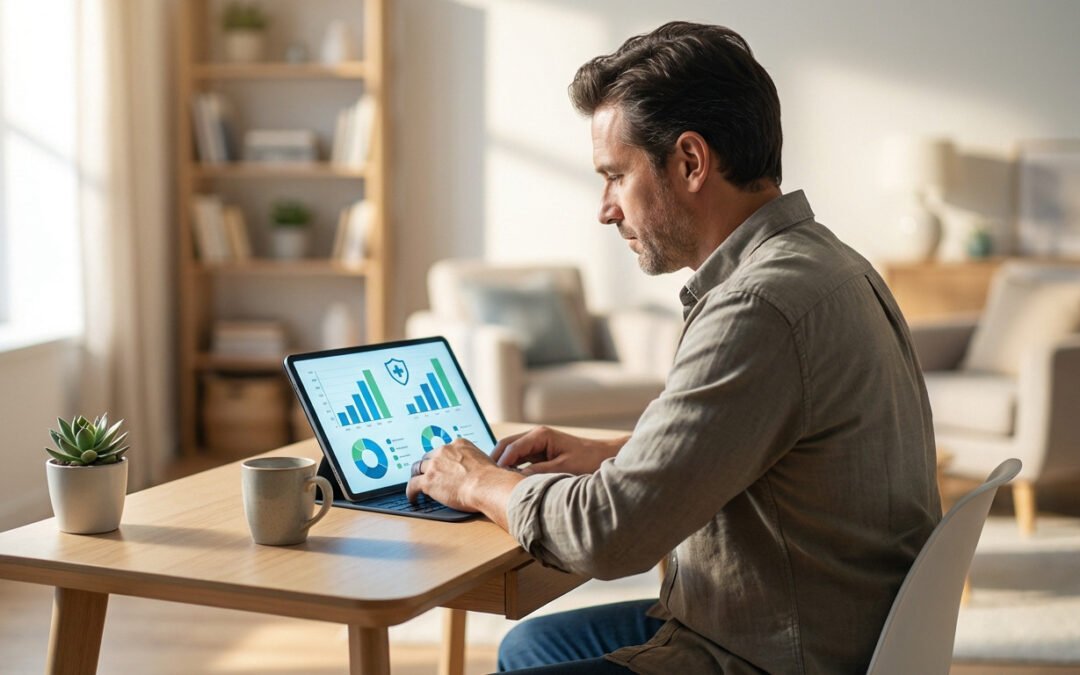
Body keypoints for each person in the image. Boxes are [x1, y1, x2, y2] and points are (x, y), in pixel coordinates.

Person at [406, 21, 941, 674]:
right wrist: (611, 453)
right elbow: (766, 444)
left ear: (690, 162)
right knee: (530, 645)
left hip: (765, 651)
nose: (605, 209)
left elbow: (611, 535)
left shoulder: (758, 306)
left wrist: (480, 482)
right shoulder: (830, 264)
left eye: (615, 176)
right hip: (822, 624)